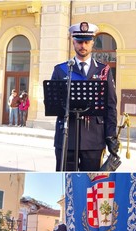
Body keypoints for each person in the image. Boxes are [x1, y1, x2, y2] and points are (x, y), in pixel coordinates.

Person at [51, 22, 118, 171]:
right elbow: (53, 104)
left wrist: (111, 136)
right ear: (73, 42)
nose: (83, 46)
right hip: (66, 138)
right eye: (79, 41)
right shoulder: (61, 70)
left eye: (87, 42)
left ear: (93, 43)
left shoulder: (104, 71)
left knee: (91, 180)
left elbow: (111, 106)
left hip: (94, 138)